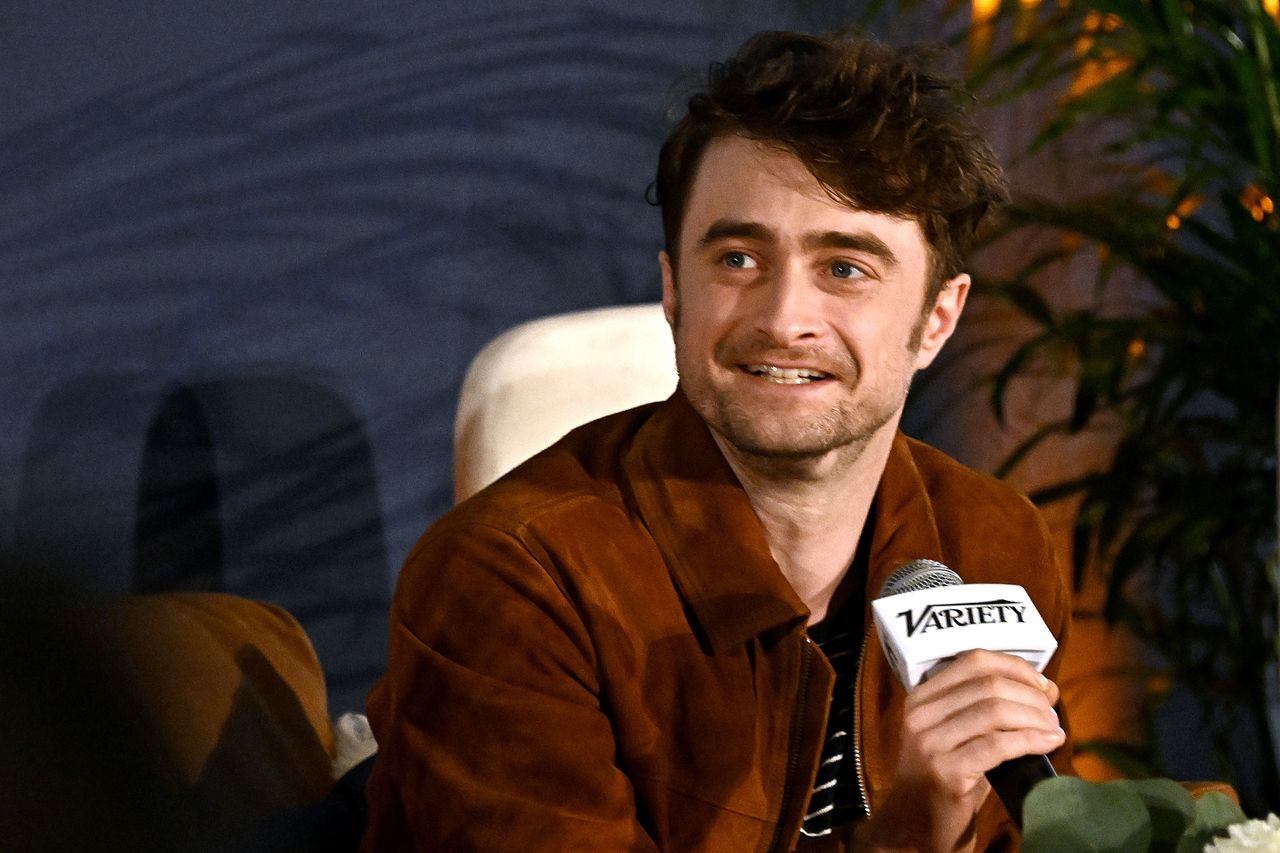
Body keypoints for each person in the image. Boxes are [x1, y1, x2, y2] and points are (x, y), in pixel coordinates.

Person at [362, 30, 1073, 852]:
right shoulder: (511, 579)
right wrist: (907, 834)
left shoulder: (994, 538)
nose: (782, 320)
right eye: (738, 258)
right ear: (674, 290)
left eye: (845, 268)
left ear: (937, 318)